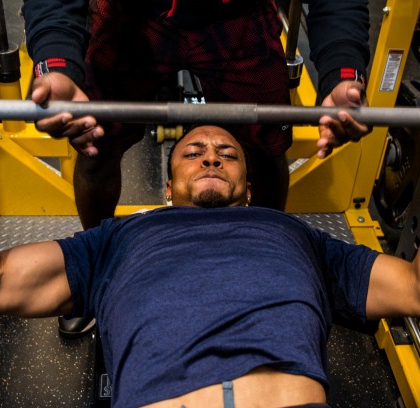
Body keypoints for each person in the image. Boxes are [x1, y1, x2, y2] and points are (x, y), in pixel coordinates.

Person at [0, 81, 420, 407]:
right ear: (167, 187)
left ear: (248, 188)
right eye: (193, 152)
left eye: (227, 153)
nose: (211, 154)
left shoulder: (295, 236)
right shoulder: (120, 239)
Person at [22, 0, 374, 337]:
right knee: (94, 144)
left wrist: (342, 72)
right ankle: (93, 274)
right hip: (131, 18)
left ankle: (267, 258)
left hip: (236, 16)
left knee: (267, 149)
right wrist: (56, 63)